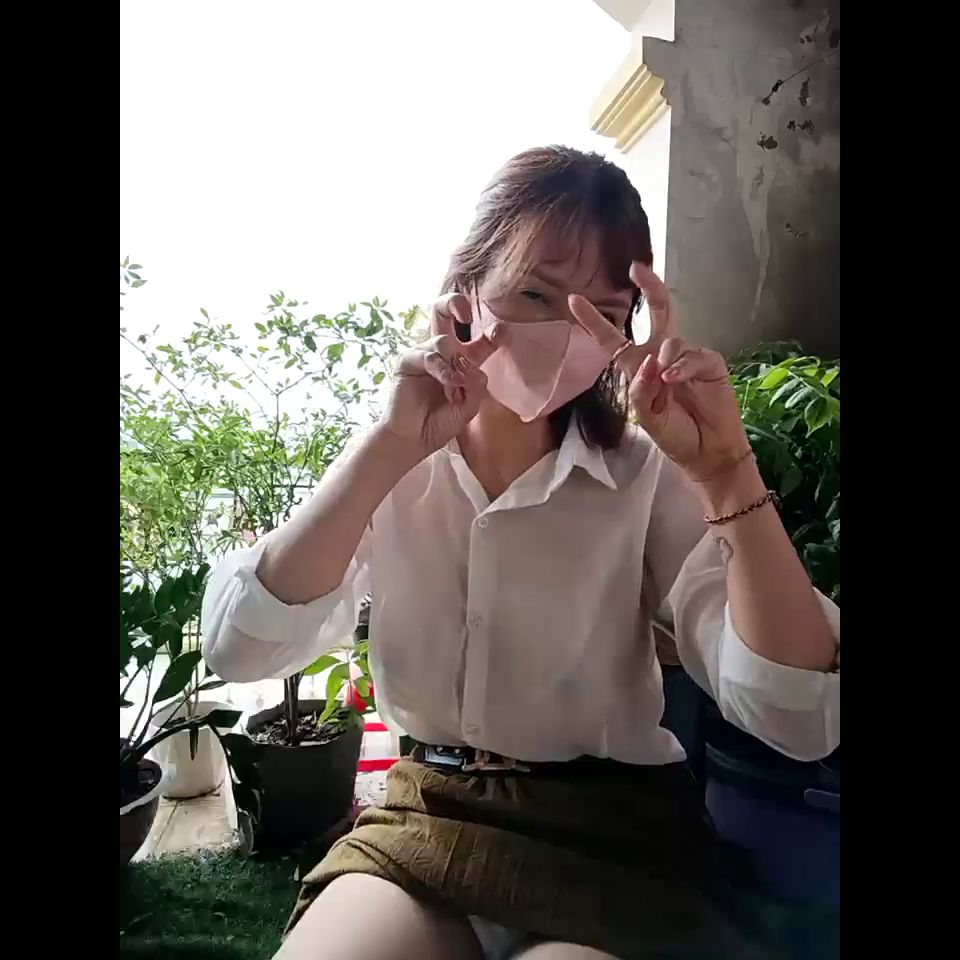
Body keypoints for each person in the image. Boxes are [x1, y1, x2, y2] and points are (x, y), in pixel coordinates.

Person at [201, 146, 840, 960]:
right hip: (431, 809)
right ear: (466, 288)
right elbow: (242, 648)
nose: (563, 335)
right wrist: (387, 448)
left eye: (602, 313)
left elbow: (797, 713)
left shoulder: (646, 477)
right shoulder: (395, 463)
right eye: (536, 294)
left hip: (613, 832)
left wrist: (726, 471)